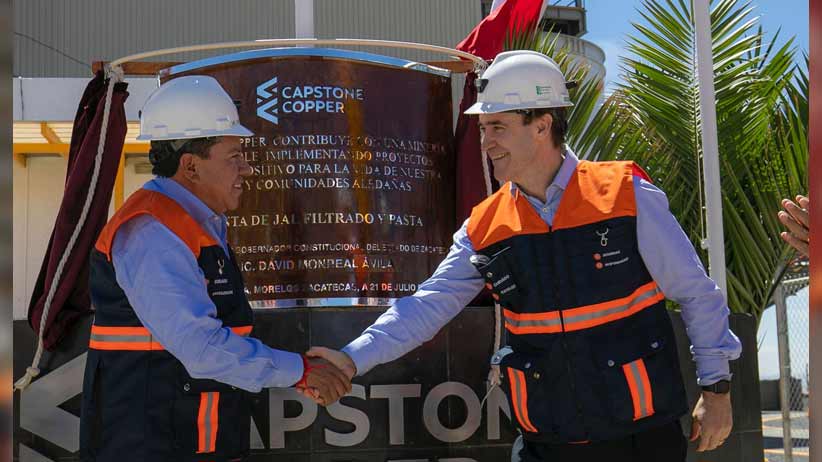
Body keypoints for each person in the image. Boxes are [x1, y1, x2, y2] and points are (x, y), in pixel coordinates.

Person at [306, 51, 741, 462]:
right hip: (544, 443)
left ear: (542, 125)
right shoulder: (485, 225)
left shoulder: (625, 193)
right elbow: (426, 306)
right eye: (483, 128)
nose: (487, 142)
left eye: (498, 127)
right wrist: (353, 357)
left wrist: (716, 389)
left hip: (641, 439)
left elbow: (696, 293)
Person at [79, 75, 350, 462]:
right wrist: (301, 371)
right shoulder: (153, 233)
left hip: (191, 440)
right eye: (234, 156)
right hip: (151, 446)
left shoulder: (195, 224)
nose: (247, 169)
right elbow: (201, 348)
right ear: (190, 166)